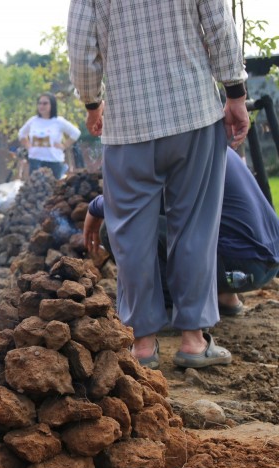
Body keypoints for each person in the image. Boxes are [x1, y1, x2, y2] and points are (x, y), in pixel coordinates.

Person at [67, 0, 250, 369]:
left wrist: (92, 103)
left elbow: (81, 49)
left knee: (131, 236)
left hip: (127, 127)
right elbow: (218, 25)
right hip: (193, 112)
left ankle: (143, 346)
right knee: (194, 227)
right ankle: (194, 341)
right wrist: (235, 93)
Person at [84, 147, 279, 343]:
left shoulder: (170, 153)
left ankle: (169, 308)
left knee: (114, 228)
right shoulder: (206, 140)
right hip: (263, 261)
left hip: (239, 264)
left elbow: (132, 203)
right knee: (191, 219)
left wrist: (95, 207)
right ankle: (225, 297)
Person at [18, 92, 81, 180]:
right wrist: (28, 146)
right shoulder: (33, 121)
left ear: (52, 105)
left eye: (45, 103)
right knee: (36, 189)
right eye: (39, 103)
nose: (42, 106)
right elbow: (21, 134)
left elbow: (76, 133)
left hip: (54, 161)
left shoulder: (59, 121)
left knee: (54, 190)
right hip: (35, 160)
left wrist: (64, 145)